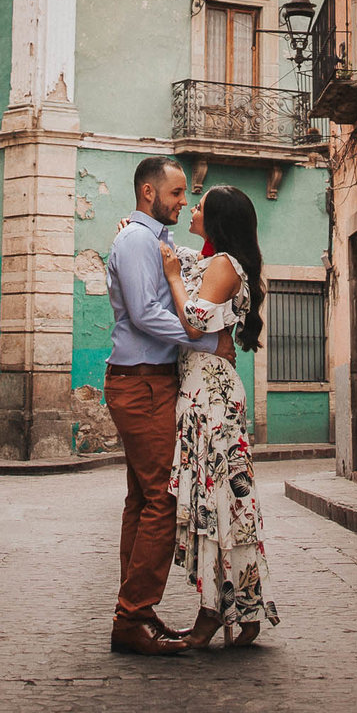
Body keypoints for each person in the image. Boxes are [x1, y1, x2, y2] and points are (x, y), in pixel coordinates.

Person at [103, 154, 220, 656]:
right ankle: (132, 617)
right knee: (161, 500)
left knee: (141, 498)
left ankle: (135, 610)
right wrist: (207, 341)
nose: (183, 201)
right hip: (141, 383)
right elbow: (146, 312)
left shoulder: (157, 241)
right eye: (176, 193)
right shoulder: (135, 240)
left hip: (151, 381)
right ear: (149, 193)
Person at [161, 184, 278, 649]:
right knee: (221, 504)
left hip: (211, 397)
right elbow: (178, 254)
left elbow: (192, 321)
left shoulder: (225, 266)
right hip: (201, 394)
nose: (192, 208)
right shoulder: (215, 261)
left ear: (217, 219)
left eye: (201, 206)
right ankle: (242, 611)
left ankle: (213, 614)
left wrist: (172, 278)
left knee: (219, 506)